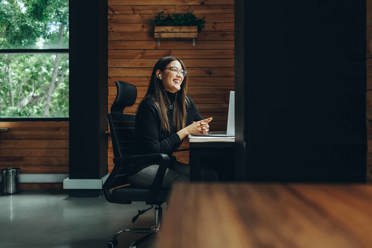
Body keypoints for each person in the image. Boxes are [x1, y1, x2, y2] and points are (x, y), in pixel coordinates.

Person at [131, 56, 212, 187]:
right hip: (143, 167)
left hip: (165, 162)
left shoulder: (185, 103)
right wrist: (186, 131)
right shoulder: (149, 105)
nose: (179, 75)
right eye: (174, 70)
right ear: (159, 74)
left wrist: (203, 128)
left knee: (208, 176)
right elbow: (154, 150)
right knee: (186, 184)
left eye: (182, 72)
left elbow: (199, 123)